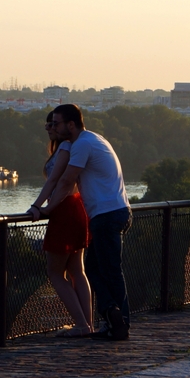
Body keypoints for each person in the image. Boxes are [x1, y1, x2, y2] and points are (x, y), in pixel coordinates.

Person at [44, 104, 132, 340]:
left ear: (70, 125)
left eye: (58, 123)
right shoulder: (95, 139)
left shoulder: (81, 145)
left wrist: (44, 209)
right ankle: (112, 318)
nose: (54, 127)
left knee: (109, 271)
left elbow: (65, 182)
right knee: (94, 269)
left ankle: (119, 321)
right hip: (114, 211)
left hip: (106, 214)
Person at [28, 112, 92, 337]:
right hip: (76, 207)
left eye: (53, 123)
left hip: (64, 209)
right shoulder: (68, 146)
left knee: (55, 273)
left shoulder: (65, 147)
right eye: (47, 124)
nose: (48, 128)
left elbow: (57, 181)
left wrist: (38, 207)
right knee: (77, 271)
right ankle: (87, 325)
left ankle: (82, 325)